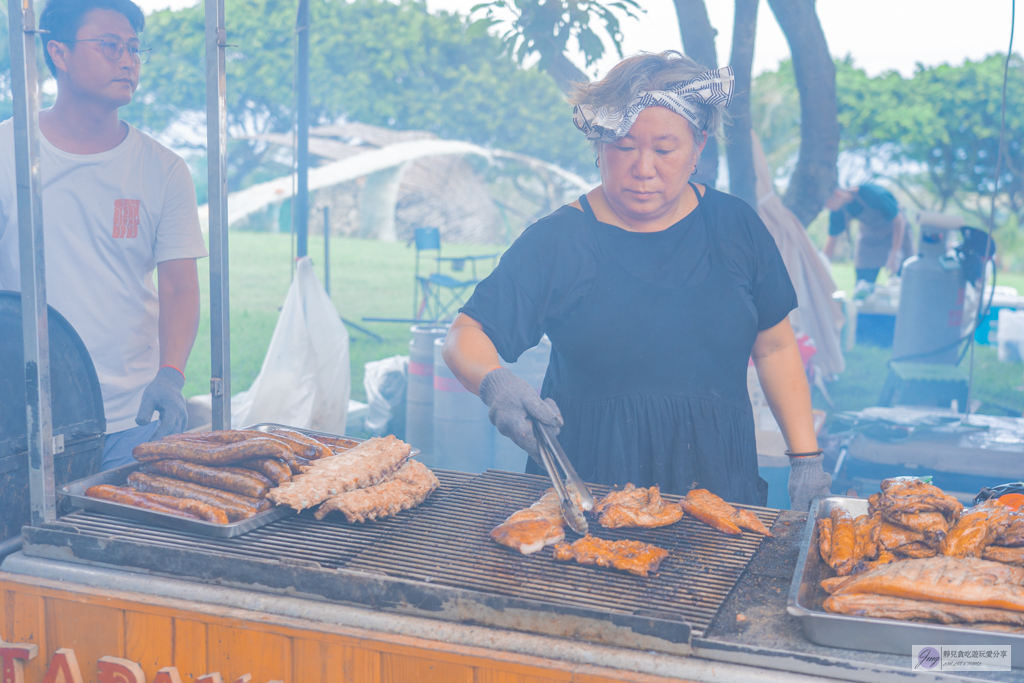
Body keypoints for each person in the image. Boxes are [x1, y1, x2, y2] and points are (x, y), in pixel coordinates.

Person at [442, 51, 831, 511]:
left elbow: (775, 346)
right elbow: (466, 334)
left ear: (698, 148)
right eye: (624, 147)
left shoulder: (735, 227)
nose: (643, 168)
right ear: (599, 146)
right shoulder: (558, 240)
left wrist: (805, 460)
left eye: (664, 150)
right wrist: (495, 384)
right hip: (590, 489)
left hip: (719, 487)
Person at [0, 0, 206, 469]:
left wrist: (170, 376)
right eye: (109, 46)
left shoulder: (164, 169)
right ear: (59, 53)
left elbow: (178, 287)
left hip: (133, 415)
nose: (128, 60)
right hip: (18, 416)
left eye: (134, 48)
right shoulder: (7, 153)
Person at [823, 184, 912, 285]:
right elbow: (832, 240)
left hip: (897, 233)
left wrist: (895, 253)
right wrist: (822, 266)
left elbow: (898, 221)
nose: (825, 206)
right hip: (870, 238)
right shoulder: (837, 210)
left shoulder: (872, 194)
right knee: (863, 282)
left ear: (837, 194)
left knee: (904, 277)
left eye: (825, 202)